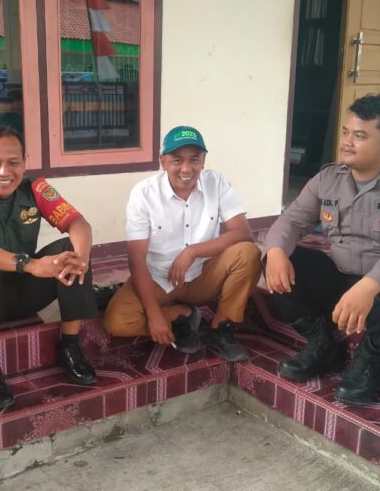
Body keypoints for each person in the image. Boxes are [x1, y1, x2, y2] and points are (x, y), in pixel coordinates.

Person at [264, 95, 380, 405]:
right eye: (346, 132)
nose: (347, 142)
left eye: (359, 135)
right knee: (279, 259)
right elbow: (291, 221)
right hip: (343, 279)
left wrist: (370, 286)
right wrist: (276, 252)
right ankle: (322, 346)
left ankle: (370, 361)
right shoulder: (328, 177)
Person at [0, 126, 99, 409]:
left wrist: (81, 257)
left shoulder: (35, 189)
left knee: (69, 251)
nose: (4, 172)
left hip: (22, 293)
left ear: (24, 162)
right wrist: (30, 264)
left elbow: (78, 223)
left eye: (13, 162)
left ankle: (70, 346)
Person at [102, 126, 261, 361]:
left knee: (248, 253)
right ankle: (180, 314)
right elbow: (136, 259)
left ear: (203, 160)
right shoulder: (144, 194)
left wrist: (192, 252)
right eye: (177, 160)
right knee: (117, 321)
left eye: (194, 159)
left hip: (201, 275)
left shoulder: (216, 182)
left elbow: (243, 232)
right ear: (163, 161)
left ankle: (220, 328)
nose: (186, 169)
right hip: (158, 279)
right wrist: (155, 315)